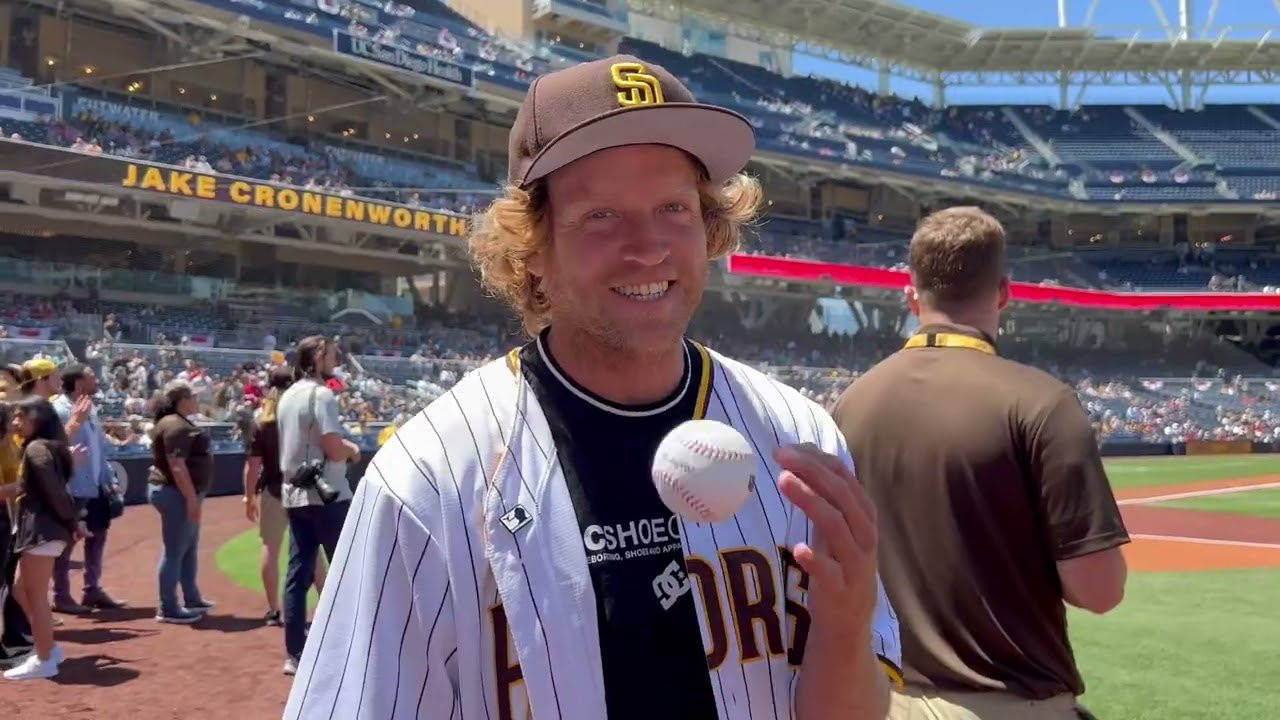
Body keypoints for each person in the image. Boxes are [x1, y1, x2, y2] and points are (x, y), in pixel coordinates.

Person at [285, 54, 901, 720]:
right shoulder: (429, 481)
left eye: (675, 207)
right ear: (534, 246)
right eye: (602, 216)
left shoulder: (800, 443)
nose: (649, 247)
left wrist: (843, 628)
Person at [830, 207, 1130, 720]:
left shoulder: (850, 404)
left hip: (879, 701)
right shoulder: (1042, 402)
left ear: (912, 294)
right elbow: (1099, 589)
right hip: (1005, 702)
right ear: (1004, 293)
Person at [276, 336, 359, 675]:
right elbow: (334, 448)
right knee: (349, 571)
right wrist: (351, 449)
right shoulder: (321, 394)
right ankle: (351, 646)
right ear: (317, 357)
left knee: (298, 575)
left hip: (295, 494)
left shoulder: (286, 396)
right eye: (331, 353)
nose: (336, 358)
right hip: (329, 494)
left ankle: (295, 653)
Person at [4, 397, 87, 680]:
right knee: (19, 590)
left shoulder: (38, 448)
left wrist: (73, 522)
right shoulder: (48, 446)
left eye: (21, 417)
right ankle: (47, 647)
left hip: (42, 530)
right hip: (41, 529)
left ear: (37, 418)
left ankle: (44, 658)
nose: (15, 422)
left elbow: (54, 491)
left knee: (36, 596)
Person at [243, 367, 325, 627]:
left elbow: (253, 466)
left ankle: (273, 610)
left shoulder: (262, 421)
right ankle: (327, 609)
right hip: (303, 489)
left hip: (273, 490)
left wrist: (248, 496)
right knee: (313, 551)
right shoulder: (302, 416)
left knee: (270, 547)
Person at [51, 363, 125, 615]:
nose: (97, 380)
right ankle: (61, 596)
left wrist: (109, 478)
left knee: (98, 536)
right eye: (92, 377)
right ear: (80, 383)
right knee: (66, 544)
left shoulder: (89, 408)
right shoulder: (59, 409)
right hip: (73, 488)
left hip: (95, 486)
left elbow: (98, 450)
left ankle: (92, 590)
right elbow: (53, 446)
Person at [147, 380, 215, 624]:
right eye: (194, 396)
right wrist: (191, 500)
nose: (197, 400)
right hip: (176, 493)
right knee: (175, 551)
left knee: (188, 548)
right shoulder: (176, 425)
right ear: (183, 399)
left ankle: (191, 597)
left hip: (178, 492)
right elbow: (177, 466)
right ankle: (168, 607)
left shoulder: (177, 422)